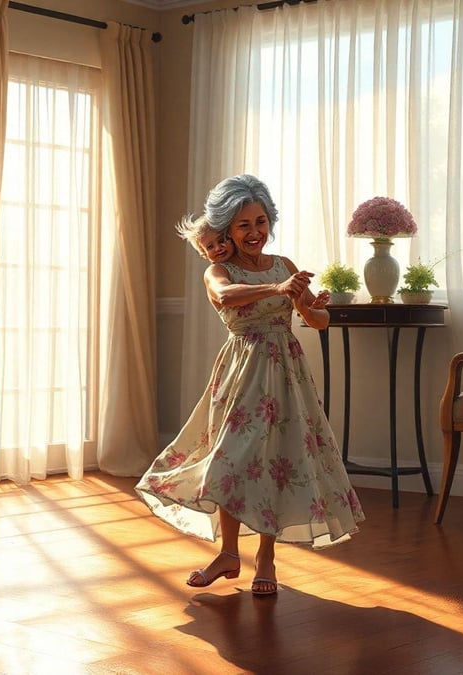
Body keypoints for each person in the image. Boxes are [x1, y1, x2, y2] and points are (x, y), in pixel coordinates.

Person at [135, 174, 365, 596]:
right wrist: (278, 288)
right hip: (242, 372)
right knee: (230, 461)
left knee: (276, 464)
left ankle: (266, 559)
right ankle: (227, 553)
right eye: (244, 225)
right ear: (226, 227)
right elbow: (226, 297)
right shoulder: (218, 270)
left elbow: (316, 322)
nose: (255, 232)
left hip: (286, 374)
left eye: (261, 221)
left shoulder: (286, 265)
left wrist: (310, 304)